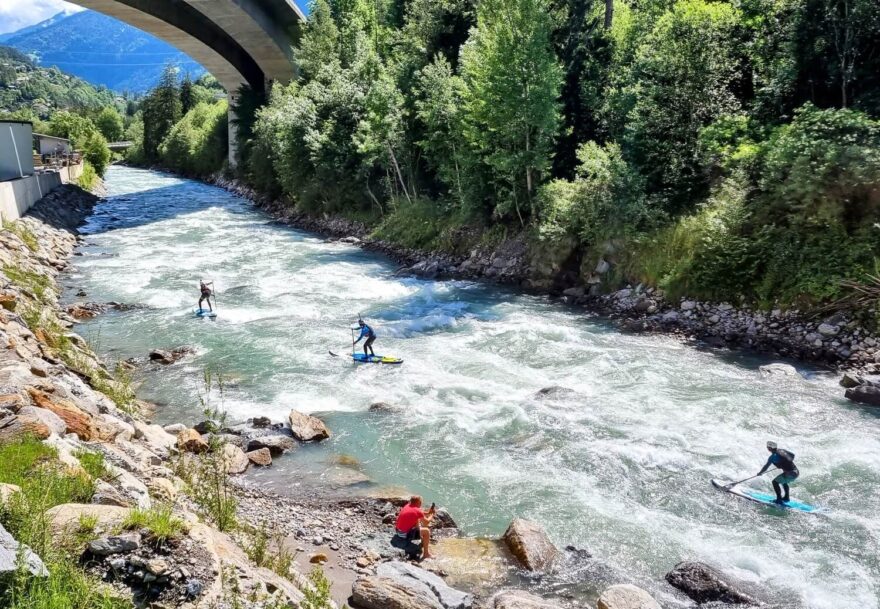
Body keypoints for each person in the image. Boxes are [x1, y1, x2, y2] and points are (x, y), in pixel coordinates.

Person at [390, 495, 435, 560]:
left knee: (416, 519)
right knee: (426, 531)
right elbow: (426, 522)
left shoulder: (407, 505)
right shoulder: (417, 511)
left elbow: (418, 513)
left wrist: (428, 513)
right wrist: (432, 515)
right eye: (421, 503)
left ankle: (423, 541)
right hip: (404, 535)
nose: (421, 504)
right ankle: (426, 554)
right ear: (419, 502)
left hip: (398, 531)